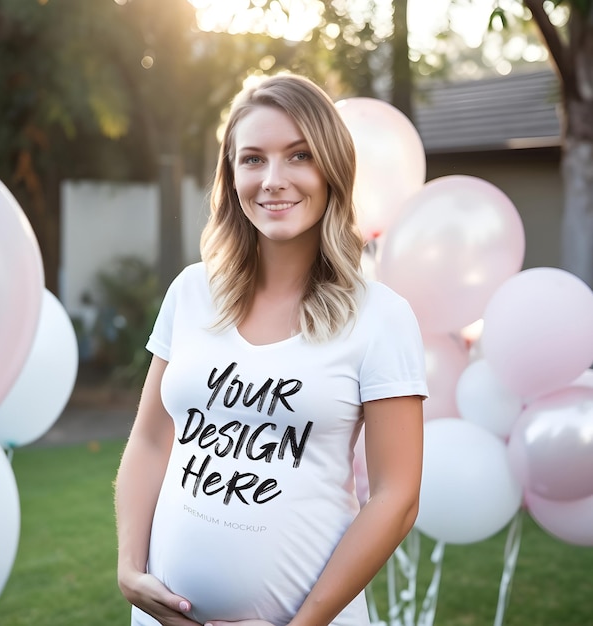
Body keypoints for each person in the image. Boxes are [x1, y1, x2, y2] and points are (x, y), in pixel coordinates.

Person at [114, 72, 428, 626]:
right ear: (231, 173)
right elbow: (150, 438)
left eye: (298, 156)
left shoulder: (381, 318)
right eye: (253, 159)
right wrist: (129, 567)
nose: (273, 180)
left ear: (331, 169)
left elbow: (396, 498)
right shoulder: (190, 292)